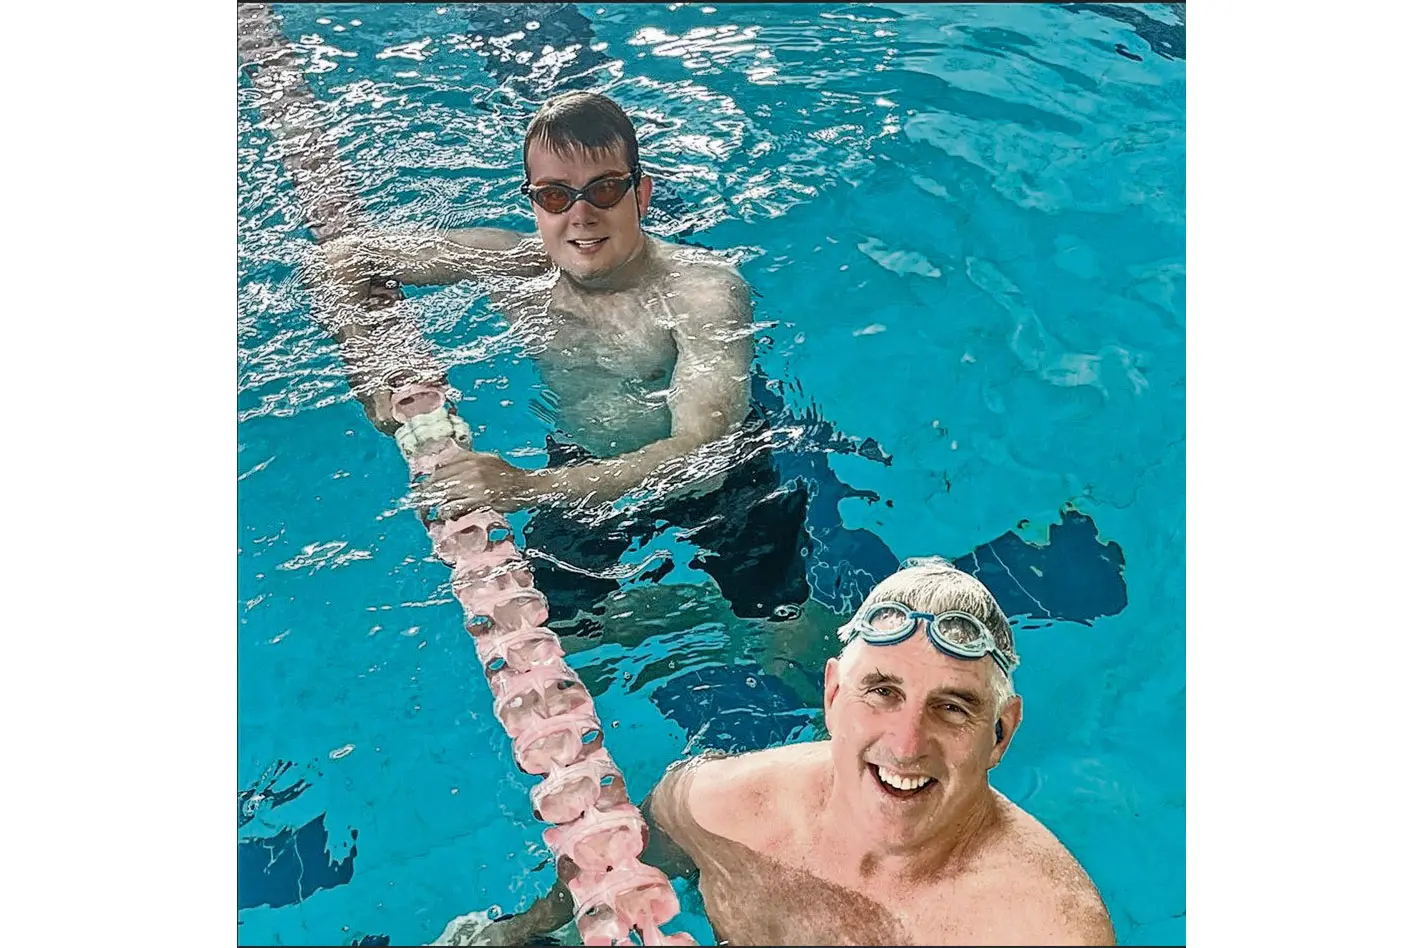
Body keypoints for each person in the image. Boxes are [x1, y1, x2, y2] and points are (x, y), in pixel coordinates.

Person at [320, 90, 812, 628]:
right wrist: (370, 376)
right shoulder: (514, 267)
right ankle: (678, 613)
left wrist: (525, 488)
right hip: (582, 463)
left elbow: (701, 453)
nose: (581, 215)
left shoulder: (702, 292)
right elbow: (343, 261)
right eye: (556, 195)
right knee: (555, 638)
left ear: (641, 194)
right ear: (534, 203)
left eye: (603, 190)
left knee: (786, 636)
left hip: (724, 487)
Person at [446, 558, 1115, 946]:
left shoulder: (1041, 928)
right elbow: (607, 885)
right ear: (833, 696)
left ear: (1001, 734)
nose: (907, 744)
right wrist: (523, 932)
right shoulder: (716, 808)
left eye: (953, 707)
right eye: (882, 692)